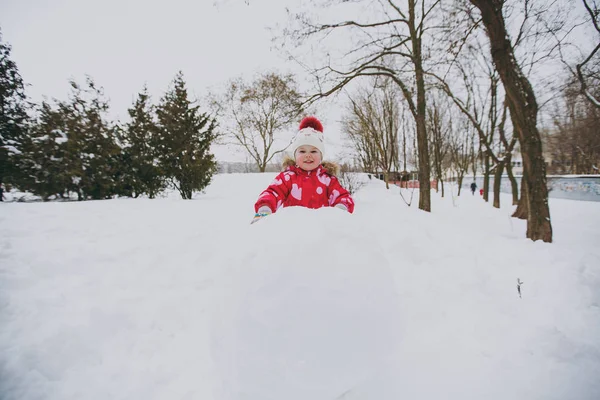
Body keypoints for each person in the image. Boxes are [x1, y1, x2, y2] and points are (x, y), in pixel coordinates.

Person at [252, 116, 355, 224]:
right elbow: (273, 192)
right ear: (295, 155)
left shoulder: (328, 180)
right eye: (302, 151)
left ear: (321, 156)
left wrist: (339, 211)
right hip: (292, 228)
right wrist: (264, 209)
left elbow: (342, 196)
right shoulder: (287, 178)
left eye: (314, 151)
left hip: (321, 229)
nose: (308, 155)